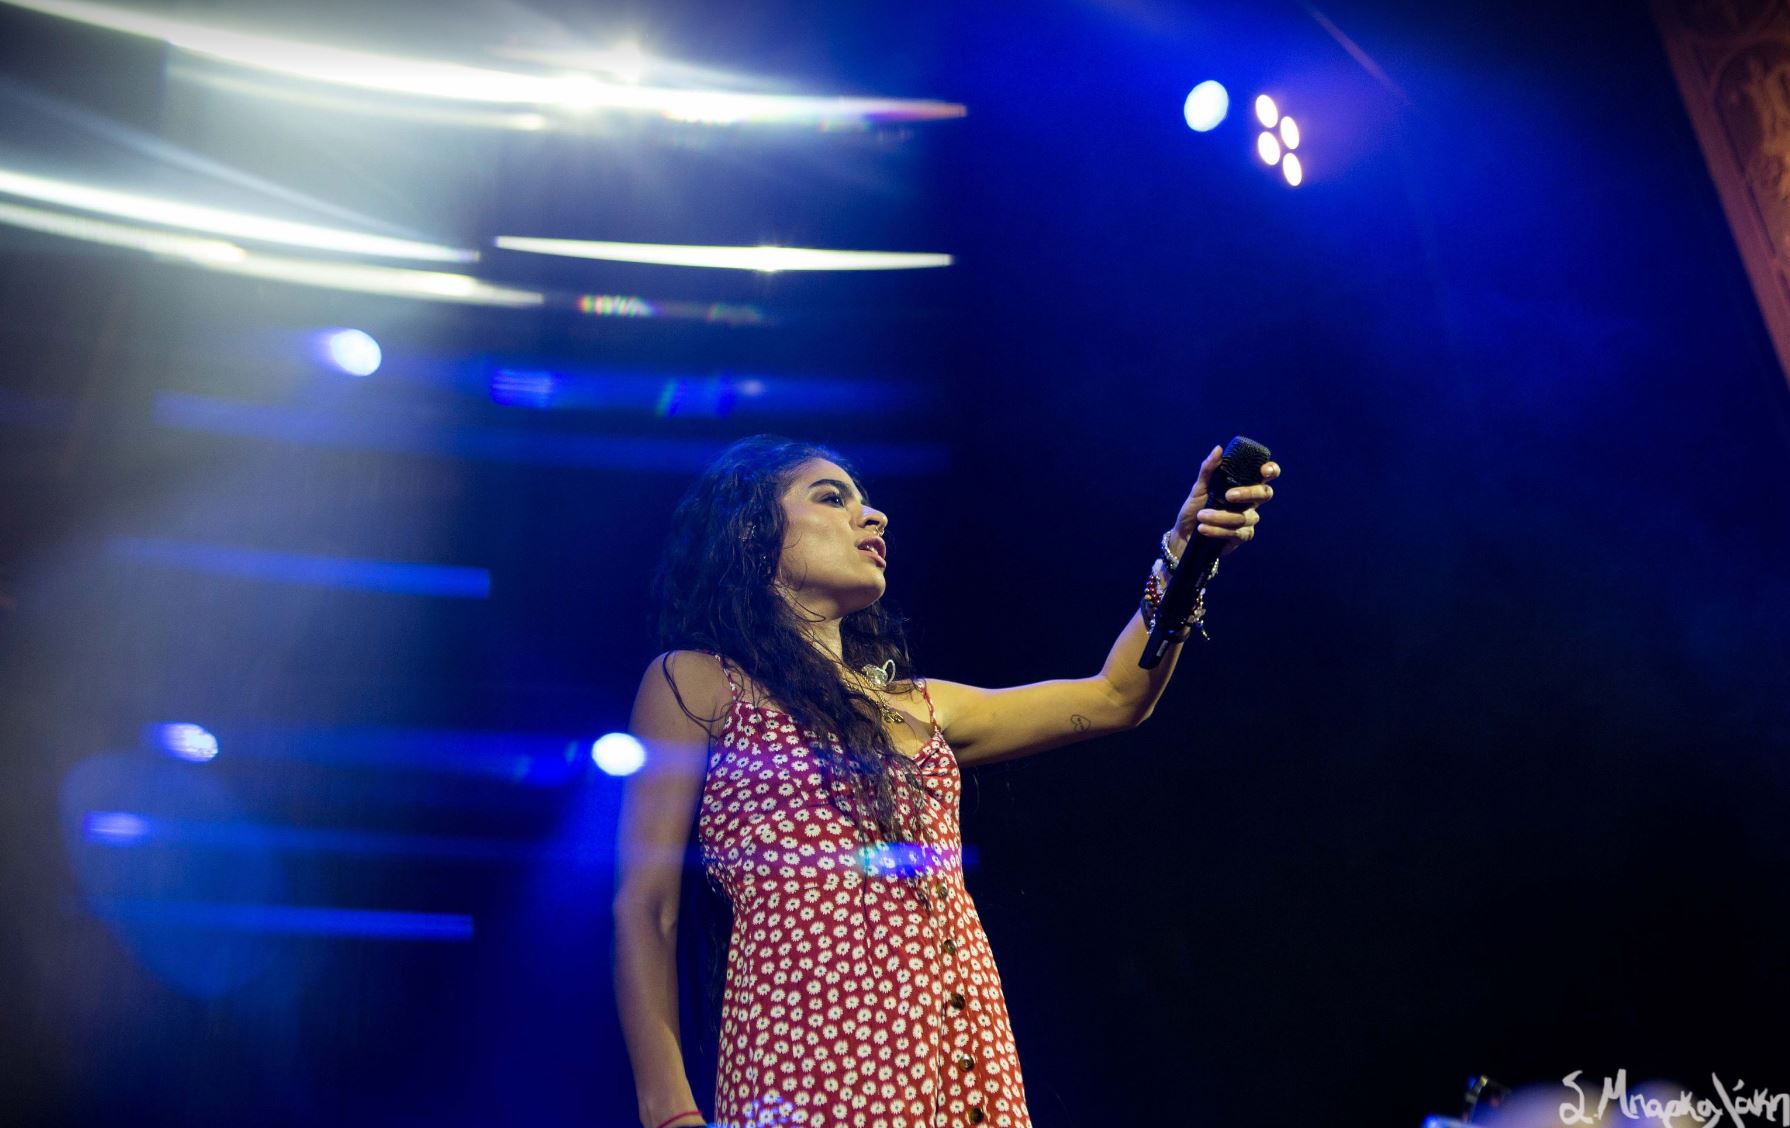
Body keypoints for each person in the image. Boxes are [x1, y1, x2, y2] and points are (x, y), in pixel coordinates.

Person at [613, 434, 1279, 1128]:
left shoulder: (923, 706)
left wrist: (1186, 554)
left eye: (865, 501)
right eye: (831, 498)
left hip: (961, 1049)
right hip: (812, 1054)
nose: (874, 516)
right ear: (752, 532)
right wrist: (668, 1109)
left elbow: (1116, 696)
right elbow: (647, 906)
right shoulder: (696, 681)